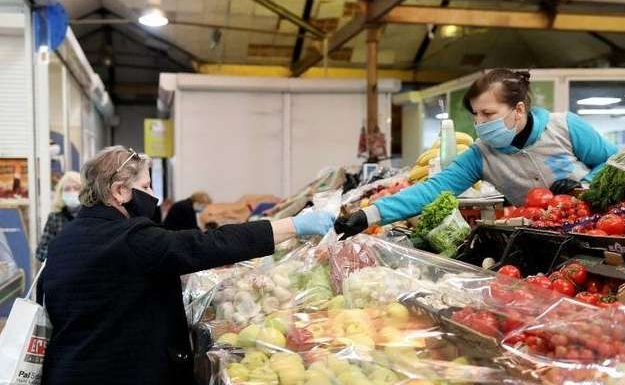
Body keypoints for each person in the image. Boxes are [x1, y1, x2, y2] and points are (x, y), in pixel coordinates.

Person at [38, 146, 333, 385]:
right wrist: (292, 225)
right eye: (145, 185)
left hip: (67, 370)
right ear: (118, 191)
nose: (152, 193)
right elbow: (206, 245)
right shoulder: (129, 238)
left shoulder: (65, 240)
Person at [336, 69, 618, 237]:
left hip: (604, 229)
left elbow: (616, 162)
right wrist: (368, 215)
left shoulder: (564, 126)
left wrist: (586, 185)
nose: (480, 123)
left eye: (488, 113)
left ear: (518, 109)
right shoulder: (480, 155)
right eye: (476, 115)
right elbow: (432, 190)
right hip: (545, 235)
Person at [35, 171, 81, 262]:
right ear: (61, 193)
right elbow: (40, 252)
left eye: (76, 188)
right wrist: (59, 255)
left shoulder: (91, 215)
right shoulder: (55, 217)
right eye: (67, 189)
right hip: (61, 269)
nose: (72, 192)